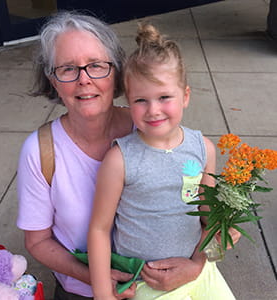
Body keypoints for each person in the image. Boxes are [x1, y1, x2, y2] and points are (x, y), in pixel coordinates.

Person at [16, 11, 214, 300]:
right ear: (53, 80)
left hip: (169, 286)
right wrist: (96, 280)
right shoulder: (39, 151)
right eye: (68, 69)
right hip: (84, 291)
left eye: (96, 65)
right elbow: (38, 241)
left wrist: (197, 264)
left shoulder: (151, 126)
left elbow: (201, 214)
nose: (84, 79)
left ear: (116, 73)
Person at [88, 23, 237, 299]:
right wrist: (102, 294)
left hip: (198, 270)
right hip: (148, 281)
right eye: (141, 100)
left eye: (164, 97)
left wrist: (223, 225)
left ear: (186, 96)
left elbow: (205, 213)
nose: (153, 110)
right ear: (128, 101)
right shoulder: (120, 159)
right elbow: (99, 228)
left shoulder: (202, 149)